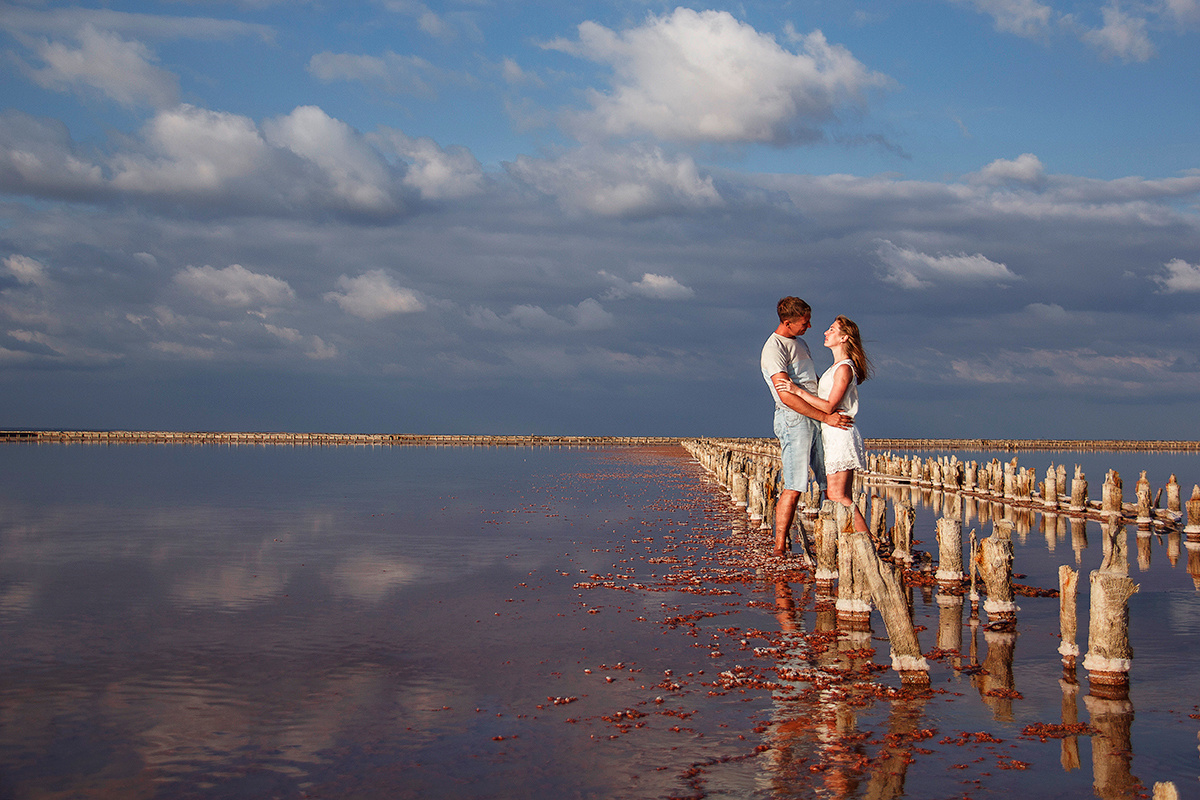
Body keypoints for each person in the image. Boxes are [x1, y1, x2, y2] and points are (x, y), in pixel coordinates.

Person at [761, 297, 853, 559]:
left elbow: (810, 382)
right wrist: (825, 417)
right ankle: (779, 547)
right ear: (787, 322)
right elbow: (786, 395)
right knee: (794, 483)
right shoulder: (774, 348)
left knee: (829, 481)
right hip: (793, 419)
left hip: (817, 416)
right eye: (804, 322)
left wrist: (826, 410)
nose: (810, 326)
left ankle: (836, 539)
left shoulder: (800, 343)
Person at [775, 315, 872, 534]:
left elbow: (829, 406)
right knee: (839, 495)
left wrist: (796, 390)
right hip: (833, 433)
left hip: (840, 434)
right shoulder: (835, 367)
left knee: (838, 495)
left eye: (832, 329)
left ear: (845, 337)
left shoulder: (844, 369)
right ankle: (856, 540)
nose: (825, 332)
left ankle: (868, 540)